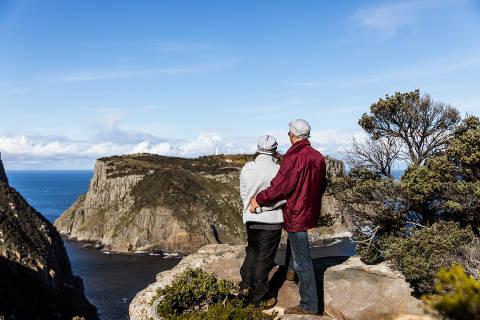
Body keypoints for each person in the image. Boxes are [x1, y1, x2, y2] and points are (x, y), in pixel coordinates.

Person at [250, 119, 326, 315]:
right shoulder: (318, 157)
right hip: (309, 209)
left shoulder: (293, 157)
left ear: (292, 135)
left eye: (288, 132)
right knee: (296, 244)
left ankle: (309, 305)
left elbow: (281, 187)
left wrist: (259, 199)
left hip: (296, 211)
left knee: (303, 258)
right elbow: (321, 185)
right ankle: (290, 274)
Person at [239, 135, 286, 308]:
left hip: (251, 218)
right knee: (264, 258)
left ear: (258, 148)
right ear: (274, 150)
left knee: (252, 251)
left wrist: (253, 207)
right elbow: (282, 197)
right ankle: (261, 296)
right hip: (271, 220)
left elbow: (244, 193)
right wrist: (265, 208)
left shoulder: (248, 167)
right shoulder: (278, 170)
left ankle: (245, 285)